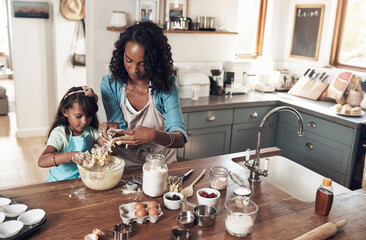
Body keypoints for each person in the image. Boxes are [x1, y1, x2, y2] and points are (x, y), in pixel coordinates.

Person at [99, 21, 187, 170]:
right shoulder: (110, 84)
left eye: (142, 63)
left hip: (161, 165)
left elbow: (180, 139)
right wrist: (110, 132)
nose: (134, 69)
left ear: (155, 61)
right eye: (129, 60)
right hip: (125, 165)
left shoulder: (166, 85)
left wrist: (154, 135)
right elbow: (119, 129)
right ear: (122, 55)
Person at [38, 86, 103, 182]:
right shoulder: (60, 134)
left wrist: (109, 136)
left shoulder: (91, 131)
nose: (84, 121)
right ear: (65, 112)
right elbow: (41, 161)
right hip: (59, 183)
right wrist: (71, 155)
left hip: (82, 182)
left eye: (89, 116)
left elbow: (112, 151)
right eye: (78, 116)